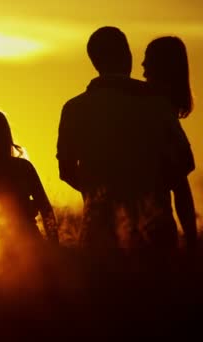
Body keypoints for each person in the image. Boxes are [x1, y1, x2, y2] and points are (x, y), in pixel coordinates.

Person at [56, 26, 191, 252]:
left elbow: (65, 171)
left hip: (98, 233)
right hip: (155, 234)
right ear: (128, 55)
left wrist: (97, 196)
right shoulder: (157, 105)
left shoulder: (73, 109)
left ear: (95, 62)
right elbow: (183, 167)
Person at [0, 109, 59, 244]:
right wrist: (54, 245)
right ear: (6, 136)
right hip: (30, 241)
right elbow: (46, 209)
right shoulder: (23, 167)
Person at [143, 36, 197, 251]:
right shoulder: (158, 110)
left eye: (148, 59)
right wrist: (192, 240)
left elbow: (179, 183)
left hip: (150, 227)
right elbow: (180, 182)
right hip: (155, 224)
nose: (143, 65)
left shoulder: (155, 109)